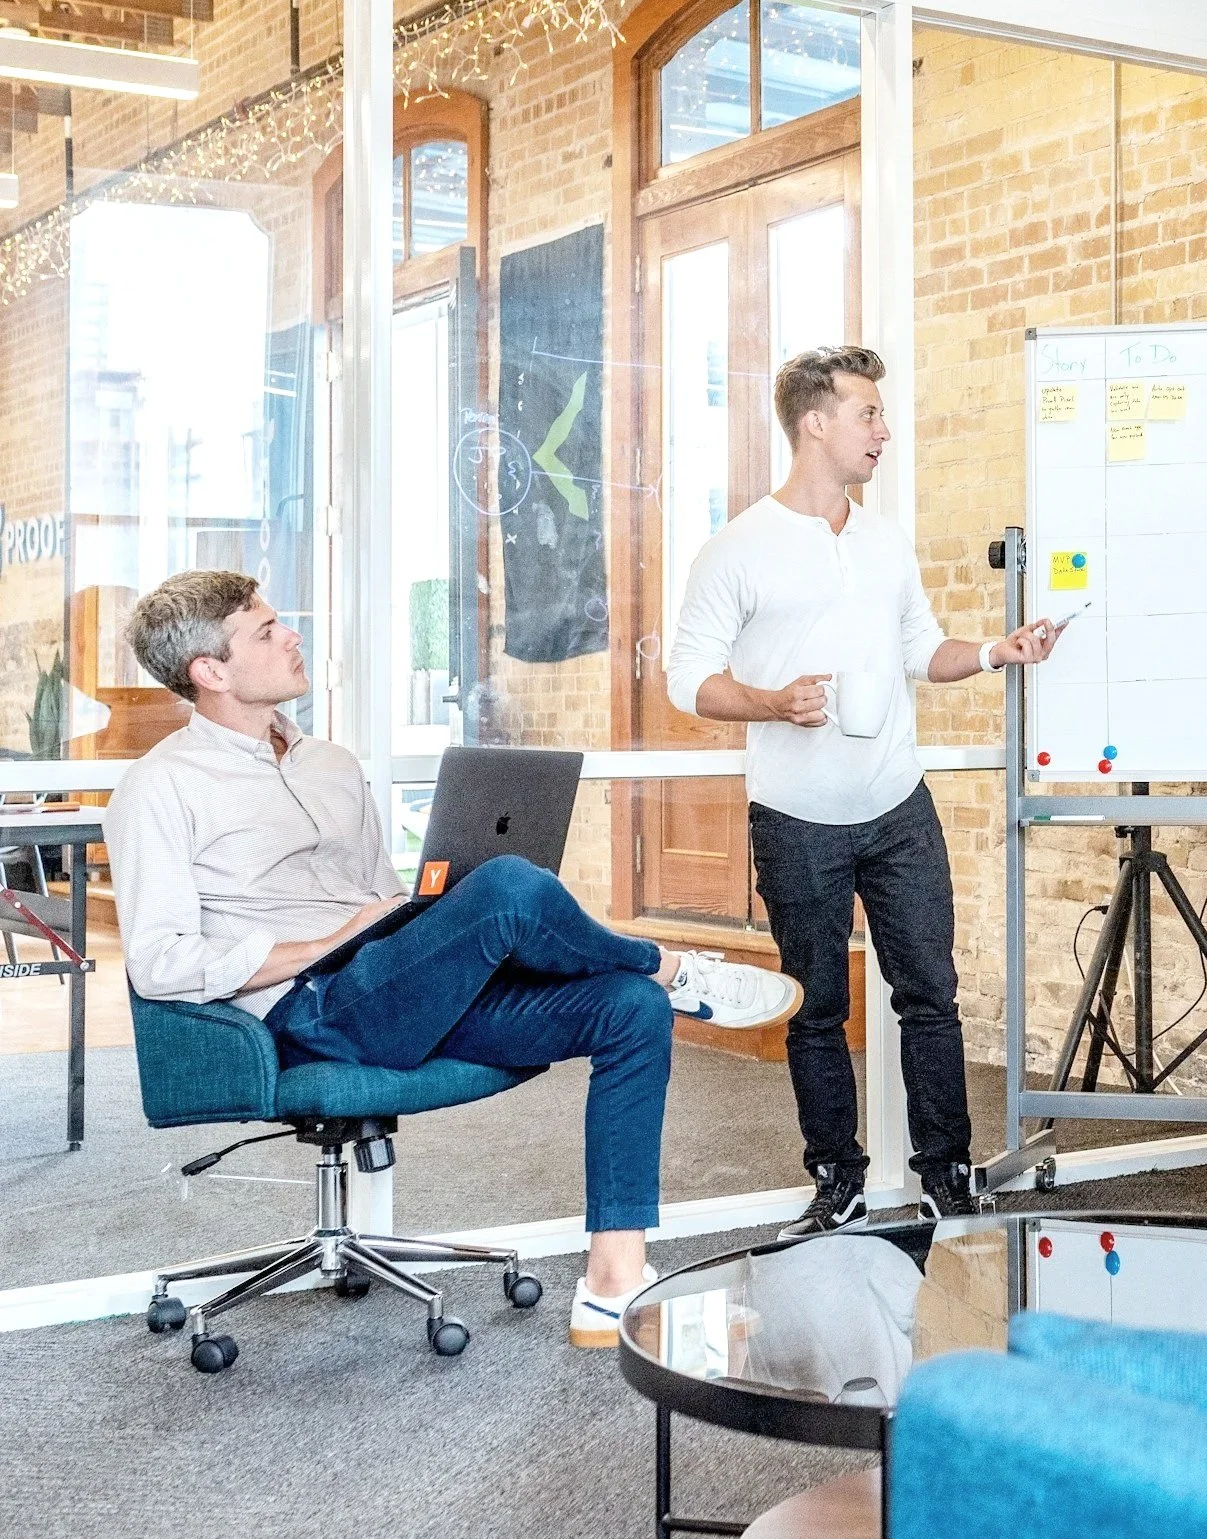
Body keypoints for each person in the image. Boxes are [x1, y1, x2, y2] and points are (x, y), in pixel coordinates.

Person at [106, 571, 799, 1350]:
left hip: (393, 986)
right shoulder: (159, 787)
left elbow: (381, 898)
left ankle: (612, 1281)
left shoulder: (330, 763)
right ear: (211, 670)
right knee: (507, 889)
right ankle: (669, 968)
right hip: (311, 1010)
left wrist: (416, 917)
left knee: (624, 1009)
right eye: (266, 631)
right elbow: (160, 962)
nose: (292, 635)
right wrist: (325, 943)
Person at [667, 345, 1061, 1234]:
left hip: (897, 807)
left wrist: (996, 650)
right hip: (797, 818)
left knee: (930, 992)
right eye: (868, 413)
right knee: (816, 1002)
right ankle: (837, 1175)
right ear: (817, 421)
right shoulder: (738, 547)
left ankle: (944, 1170)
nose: (883, 431)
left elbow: (925, 650)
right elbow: (687, 679)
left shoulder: (885, 543)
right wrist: (772, 700)